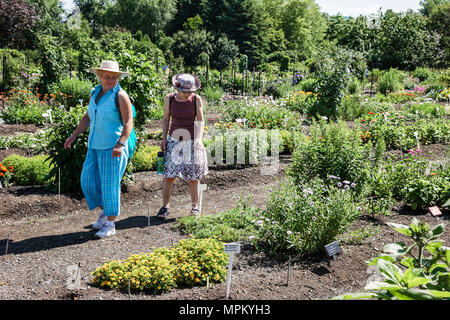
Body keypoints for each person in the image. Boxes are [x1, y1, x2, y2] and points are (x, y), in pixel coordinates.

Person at [64, 60, 133, 238]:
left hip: (112, 146)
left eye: (114, 77)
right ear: (99, 76)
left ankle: (110, 223)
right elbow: (88, 116)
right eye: (107, 76)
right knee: (89, 182)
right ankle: (104, 211)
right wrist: (74, 135)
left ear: (118, 78)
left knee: (110, 186)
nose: (110, 79)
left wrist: (121, 143)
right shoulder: (94, 92)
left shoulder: (120, 95)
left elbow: (128, 122)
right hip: (94, 145)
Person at [157, 73, 209, 219]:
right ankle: (165, 206)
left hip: (191, 141)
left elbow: (200, 120)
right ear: (177, 88)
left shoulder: (196, 100)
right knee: (169, 176)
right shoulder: (170, 99)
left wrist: (198, 139)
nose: (187, 94)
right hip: (174, 141)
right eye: (185, 92)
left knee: (193, 176)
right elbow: (166, 119)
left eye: (189, 92)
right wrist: (164, 138)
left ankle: (195, 207)